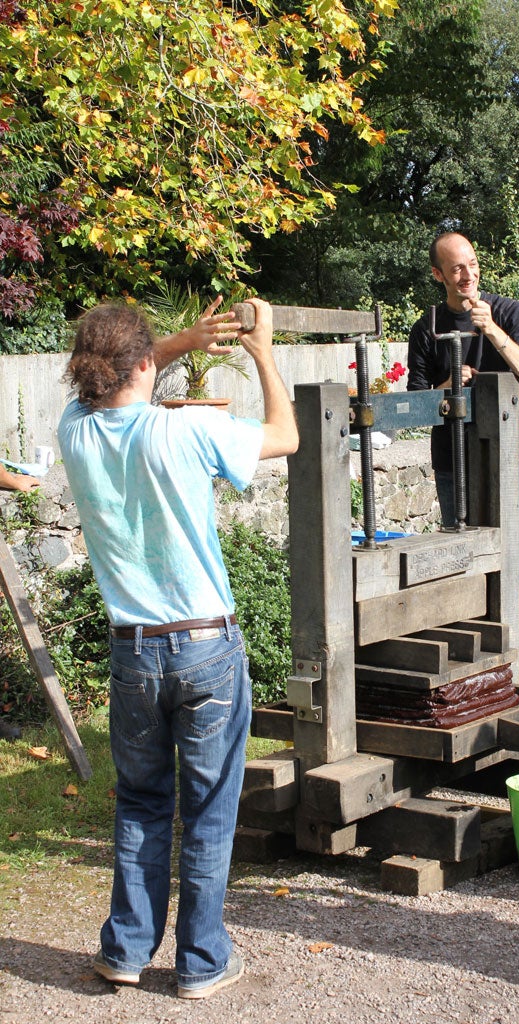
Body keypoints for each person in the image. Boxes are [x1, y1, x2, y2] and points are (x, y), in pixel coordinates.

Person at [57, 297, 299, 999]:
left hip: (132, 651)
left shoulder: (75, 432)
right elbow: (285, 433)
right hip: (204, 648)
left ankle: (127, 950)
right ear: (144, 365)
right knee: (210, 806)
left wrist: (179, 343)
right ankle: (200, 962)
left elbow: (117, 377)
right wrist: (259, 350)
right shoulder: (190, 430)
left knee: (138, 801)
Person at [407, 232, 519, 687]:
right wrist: (451, 381)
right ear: (438, 275)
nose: (468, 275)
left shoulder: (507, 312)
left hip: (507, 461)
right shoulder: (426, 327)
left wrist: (490, 329)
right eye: (456, 269)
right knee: (463, 561)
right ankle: (481, 661)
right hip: (452, 462)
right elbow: (413, 406)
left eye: (472, 265)